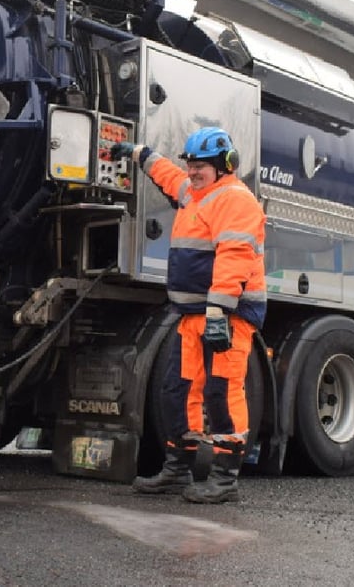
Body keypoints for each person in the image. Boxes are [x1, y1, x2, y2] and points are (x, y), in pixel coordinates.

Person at [111, 126, 265, 504]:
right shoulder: (193, 193)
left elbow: (234, 258)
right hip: (193, 316)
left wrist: (218, 311)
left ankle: (224, 478)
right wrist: (140, 154)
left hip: (227, 315)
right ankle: (177, 470)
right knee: (177, 392)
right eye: (192, 164)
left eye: (202, 166)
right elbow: (168, 175)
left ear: (224, 166)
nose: (193, 171)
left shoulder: (234, 200)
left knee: (222, 392)